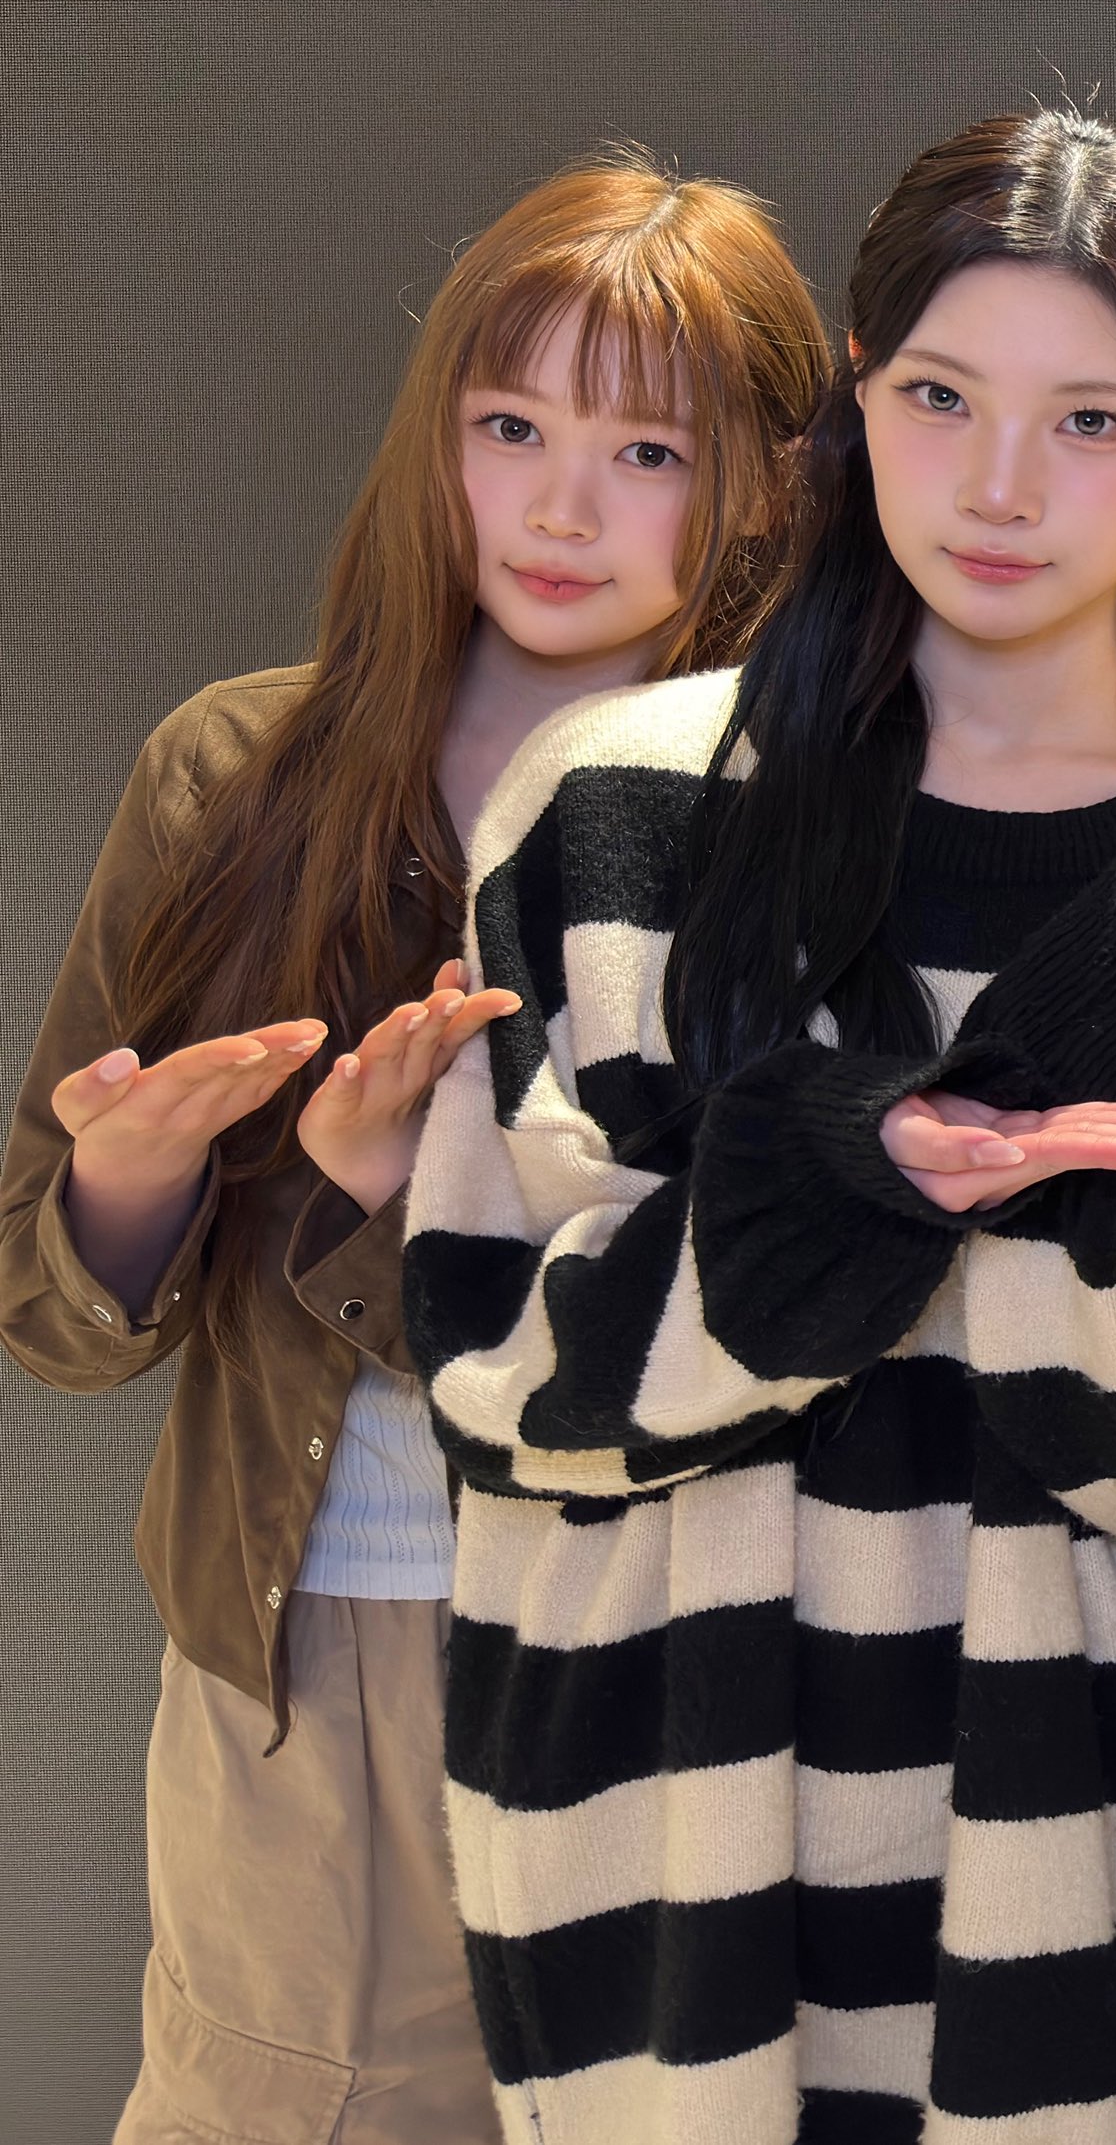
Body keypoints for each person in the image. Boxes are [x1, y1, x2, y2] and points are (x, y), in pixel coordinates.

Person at [401, 110, 1116, 2141]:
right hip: (669, 1870)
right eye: (939, 397)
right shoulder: (619, 810)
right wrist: (878, 1157)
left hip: (1091, 1872)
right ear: (855, 392)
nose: (999, 486)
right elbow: (502, 1368)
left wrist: (1020, 1125)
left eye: (1089, 422)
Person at [0, 154, 824, 2145]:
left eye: (646, 452)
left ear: (761, 490)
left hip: (706, 1647)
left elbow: (801, 1311)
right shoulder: (235, 779)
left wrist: (396, 1211)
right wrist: (136, 1181)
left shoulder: (802, 825)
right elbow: (52, 1312)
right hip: (341, 1640)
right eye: (509, 427)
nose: (559, 507)